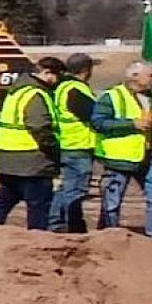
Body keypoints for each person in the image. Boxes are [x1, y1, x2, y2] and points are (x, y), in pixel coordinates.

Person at [93, 61, 152, 237]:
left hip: (147, 156)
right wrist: (131, 124)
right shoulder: (111, 97)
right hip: (119, 158)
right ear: (134, 76)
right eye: (150, 75)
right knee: (112, 201)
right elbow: (98, 122)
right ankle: (111, 233)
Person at [0, 61, 60, 231]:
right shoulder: (36, 95)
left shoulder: (16, 92)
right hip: (31, 161)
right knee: (38, 206)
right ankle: (37, 240)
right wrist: (54, 150)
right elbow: (39, 126)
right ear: (48, 73)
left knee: (4, 199)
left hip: (7, 160)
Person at [48, 53, 99, 233]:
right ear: (86, 70)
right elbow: (93, 116)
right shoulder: (76, 89)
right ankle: (70, 225)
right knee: (75, 190)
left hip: (68, 144)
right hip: (78, 145)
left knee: (66, 187)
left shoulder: (61, 87)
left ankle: (56, 222)